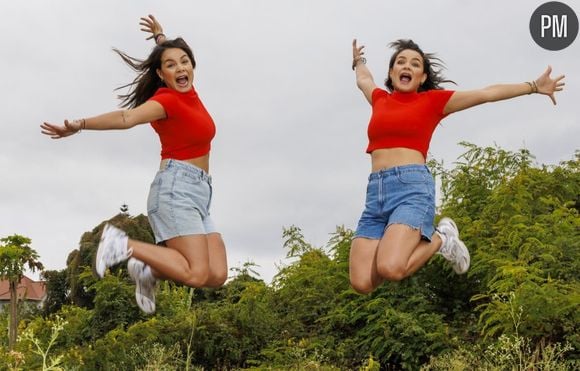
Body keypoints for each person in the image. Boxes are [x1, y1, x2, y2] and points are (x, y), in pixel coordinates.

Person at [41, 15, 228, 313]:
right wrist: (80, 124)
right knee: (194, 272)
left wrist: (160, 36)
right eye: (171, 65)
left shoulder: (189, 92)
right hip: (176, 189)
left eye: (184, 61)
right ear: (161, 73)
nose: (180, 68)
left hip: (200, 193)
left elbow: (169, 50)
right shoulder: (165, 101)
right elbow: (127, 118)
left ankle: (146, 269)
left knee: (216, 274)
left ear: (192, 65)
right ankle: (121, 244)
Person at [349, 38, 564, 294]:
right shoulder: (379, 99)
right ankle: (415, 241)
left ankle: (442, 238)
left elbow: (485, 94)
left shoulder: (433, 102)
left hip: (411, 190)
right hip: (376, 195)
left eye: (415, 64)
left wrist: (532, 86)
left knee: (391, 269)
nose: (407, 66)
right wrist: (358, 61)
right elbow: (363, 79)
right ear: (391, 72)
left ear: (421, 76)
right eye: (401, 62)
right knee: (362, 283)